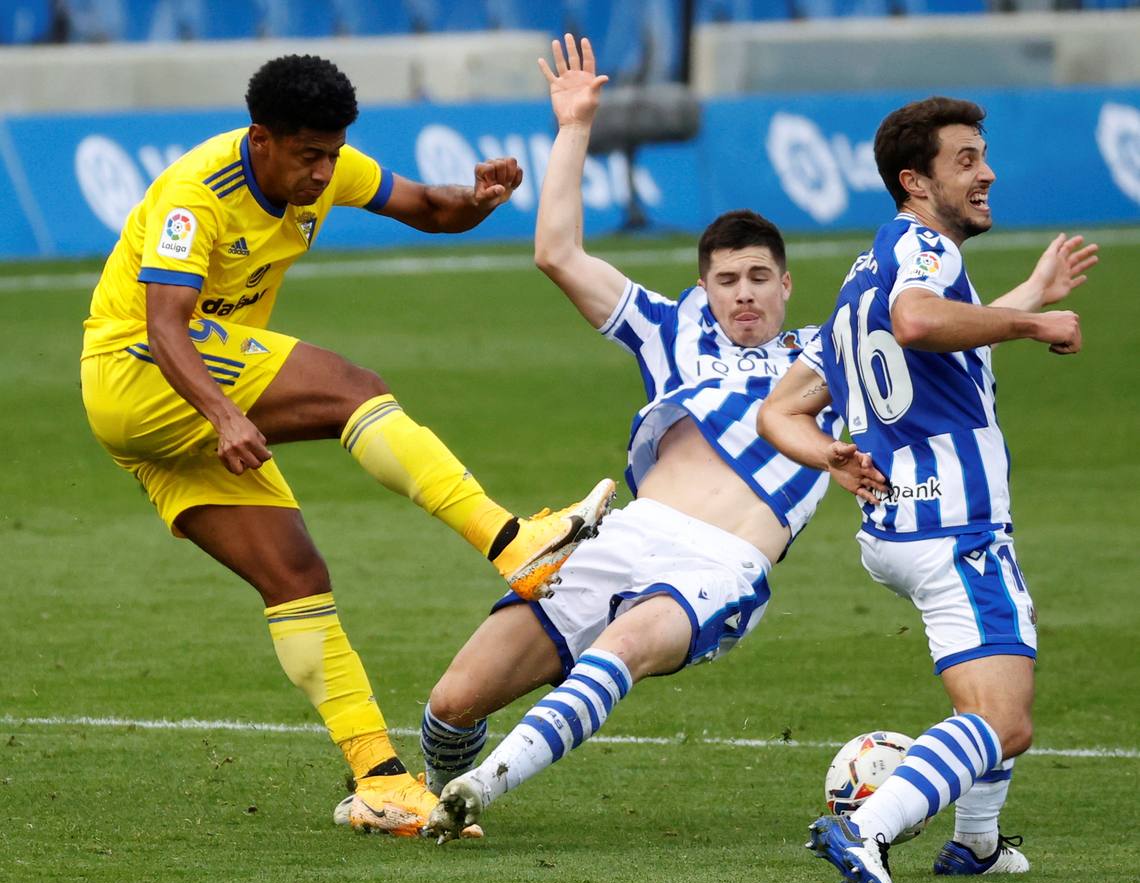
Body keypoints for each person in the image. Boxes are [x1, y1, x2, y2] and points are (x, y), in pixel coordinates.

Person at [79, 53, 615, 839]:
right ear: (261, 138)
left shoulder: (326, 166)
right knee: (353, 390)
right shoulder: (197, 195)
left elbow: (429, 207)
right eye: (309, 155)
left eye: (333, 153)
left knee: (295, 577)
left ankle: (378, 781)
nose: (324, 171)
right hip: (140, 370)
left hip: (176, 402)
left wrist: (480, 200)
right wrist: (226, 415)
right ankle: (515, 543)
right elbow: (165, 326)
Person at [418, 35, 860, 842]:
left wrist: (1029, 302)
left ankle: (483, 786)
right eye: (727, 279)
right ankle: (440, 798)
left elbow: (927, 328)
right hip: (628, 532)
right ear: (705, 288)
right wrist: (575, 124)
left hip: (723, 561)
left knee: (621, 644)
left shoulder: (832, 355)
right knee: (453, 702)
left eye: (760, 276)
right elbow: (556, 253)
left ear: (788, 284)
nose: (744, 293)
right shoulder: (671, 327)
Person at [756, 96, 1098, 883]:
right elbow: (918, 322)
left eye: (983, 156)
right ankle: (864, 828)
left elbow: (783, 408)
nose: (987, 174)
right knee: (1005, 720)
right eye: (966, 160)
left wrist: (828, 455)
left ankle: (974, 846)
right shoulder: (923, 253)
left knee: (1005, 653)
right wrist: (1034, 326)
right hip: (952, 516)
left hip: (897, 521)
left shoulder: (865, 273)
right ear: (915, 182)